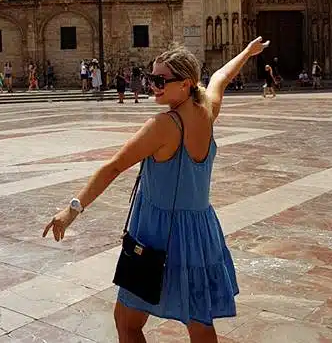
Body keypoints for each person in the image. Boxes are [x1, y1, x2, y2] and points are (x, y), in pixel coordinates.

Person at [43, 36, 270, 341]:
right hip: (200, 232)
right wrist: (247, 51)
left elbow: (112, 168)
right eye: (151, 78)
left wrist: (72, 209)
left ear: (186, 84)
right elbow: (220, 77)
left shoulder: (163, 126)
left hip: (158, 233)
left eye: (161, 80)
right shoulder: (207, 112)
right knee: (198, 319)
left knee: (127, 320)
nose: (153, 85)